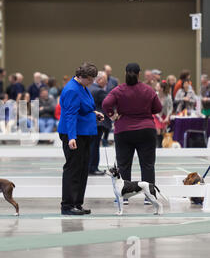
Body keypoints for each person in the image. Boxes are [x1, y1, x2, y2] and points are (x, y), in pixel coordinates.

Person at [102, 63, 162, 206]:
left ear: (125, 73)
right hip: (146, 130)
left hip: (124, 131)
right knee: (147, 165)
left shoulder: (118, 90)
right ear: (139, 74)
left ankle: (124, 198)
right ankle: (149, 197)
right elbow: (158, 108)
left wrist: (113, 116)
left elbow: (105, 104)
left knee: (123, 164)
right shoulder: (148, 90)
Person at [58, 62, 103, 216]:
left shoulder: (82, 87)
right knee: (73, 170)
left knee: (83, 170)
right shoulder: (72, 89)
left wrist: (94, 114)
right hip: (74, 134)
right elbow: (70, 115)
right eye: (90, 79)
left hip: (84, 133)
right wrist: (71, 137)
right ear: (82, 77)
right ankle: (67, 205)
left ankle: (77, 203)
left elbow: (83, 109)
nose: (92, 82)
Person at [88, 71, 111, 175]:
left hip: (89, 121)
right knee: (94, 146)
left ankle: (89, 167)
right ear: (99, 80)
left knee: (90, 146)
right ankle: (93, 168)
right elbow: (109, 103)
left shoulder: (88, 88)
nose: (106, 83)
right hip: (98, 122)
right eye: (105, 81)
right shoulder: (99, 91)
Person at [154, 80, 173, 147]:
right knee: (158, 130)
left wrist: (167, 117)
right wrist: (159, 117)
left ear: (161, 89)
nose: (156, 87)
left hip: (165, 115)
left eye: (157, 86)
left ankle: (163, 145)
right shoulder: (155, 95)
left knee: (164, 131)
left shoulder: (168, 97)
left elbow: (170, 108)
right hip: (156, 114)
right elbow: (152, 108)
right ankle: (158, 145)